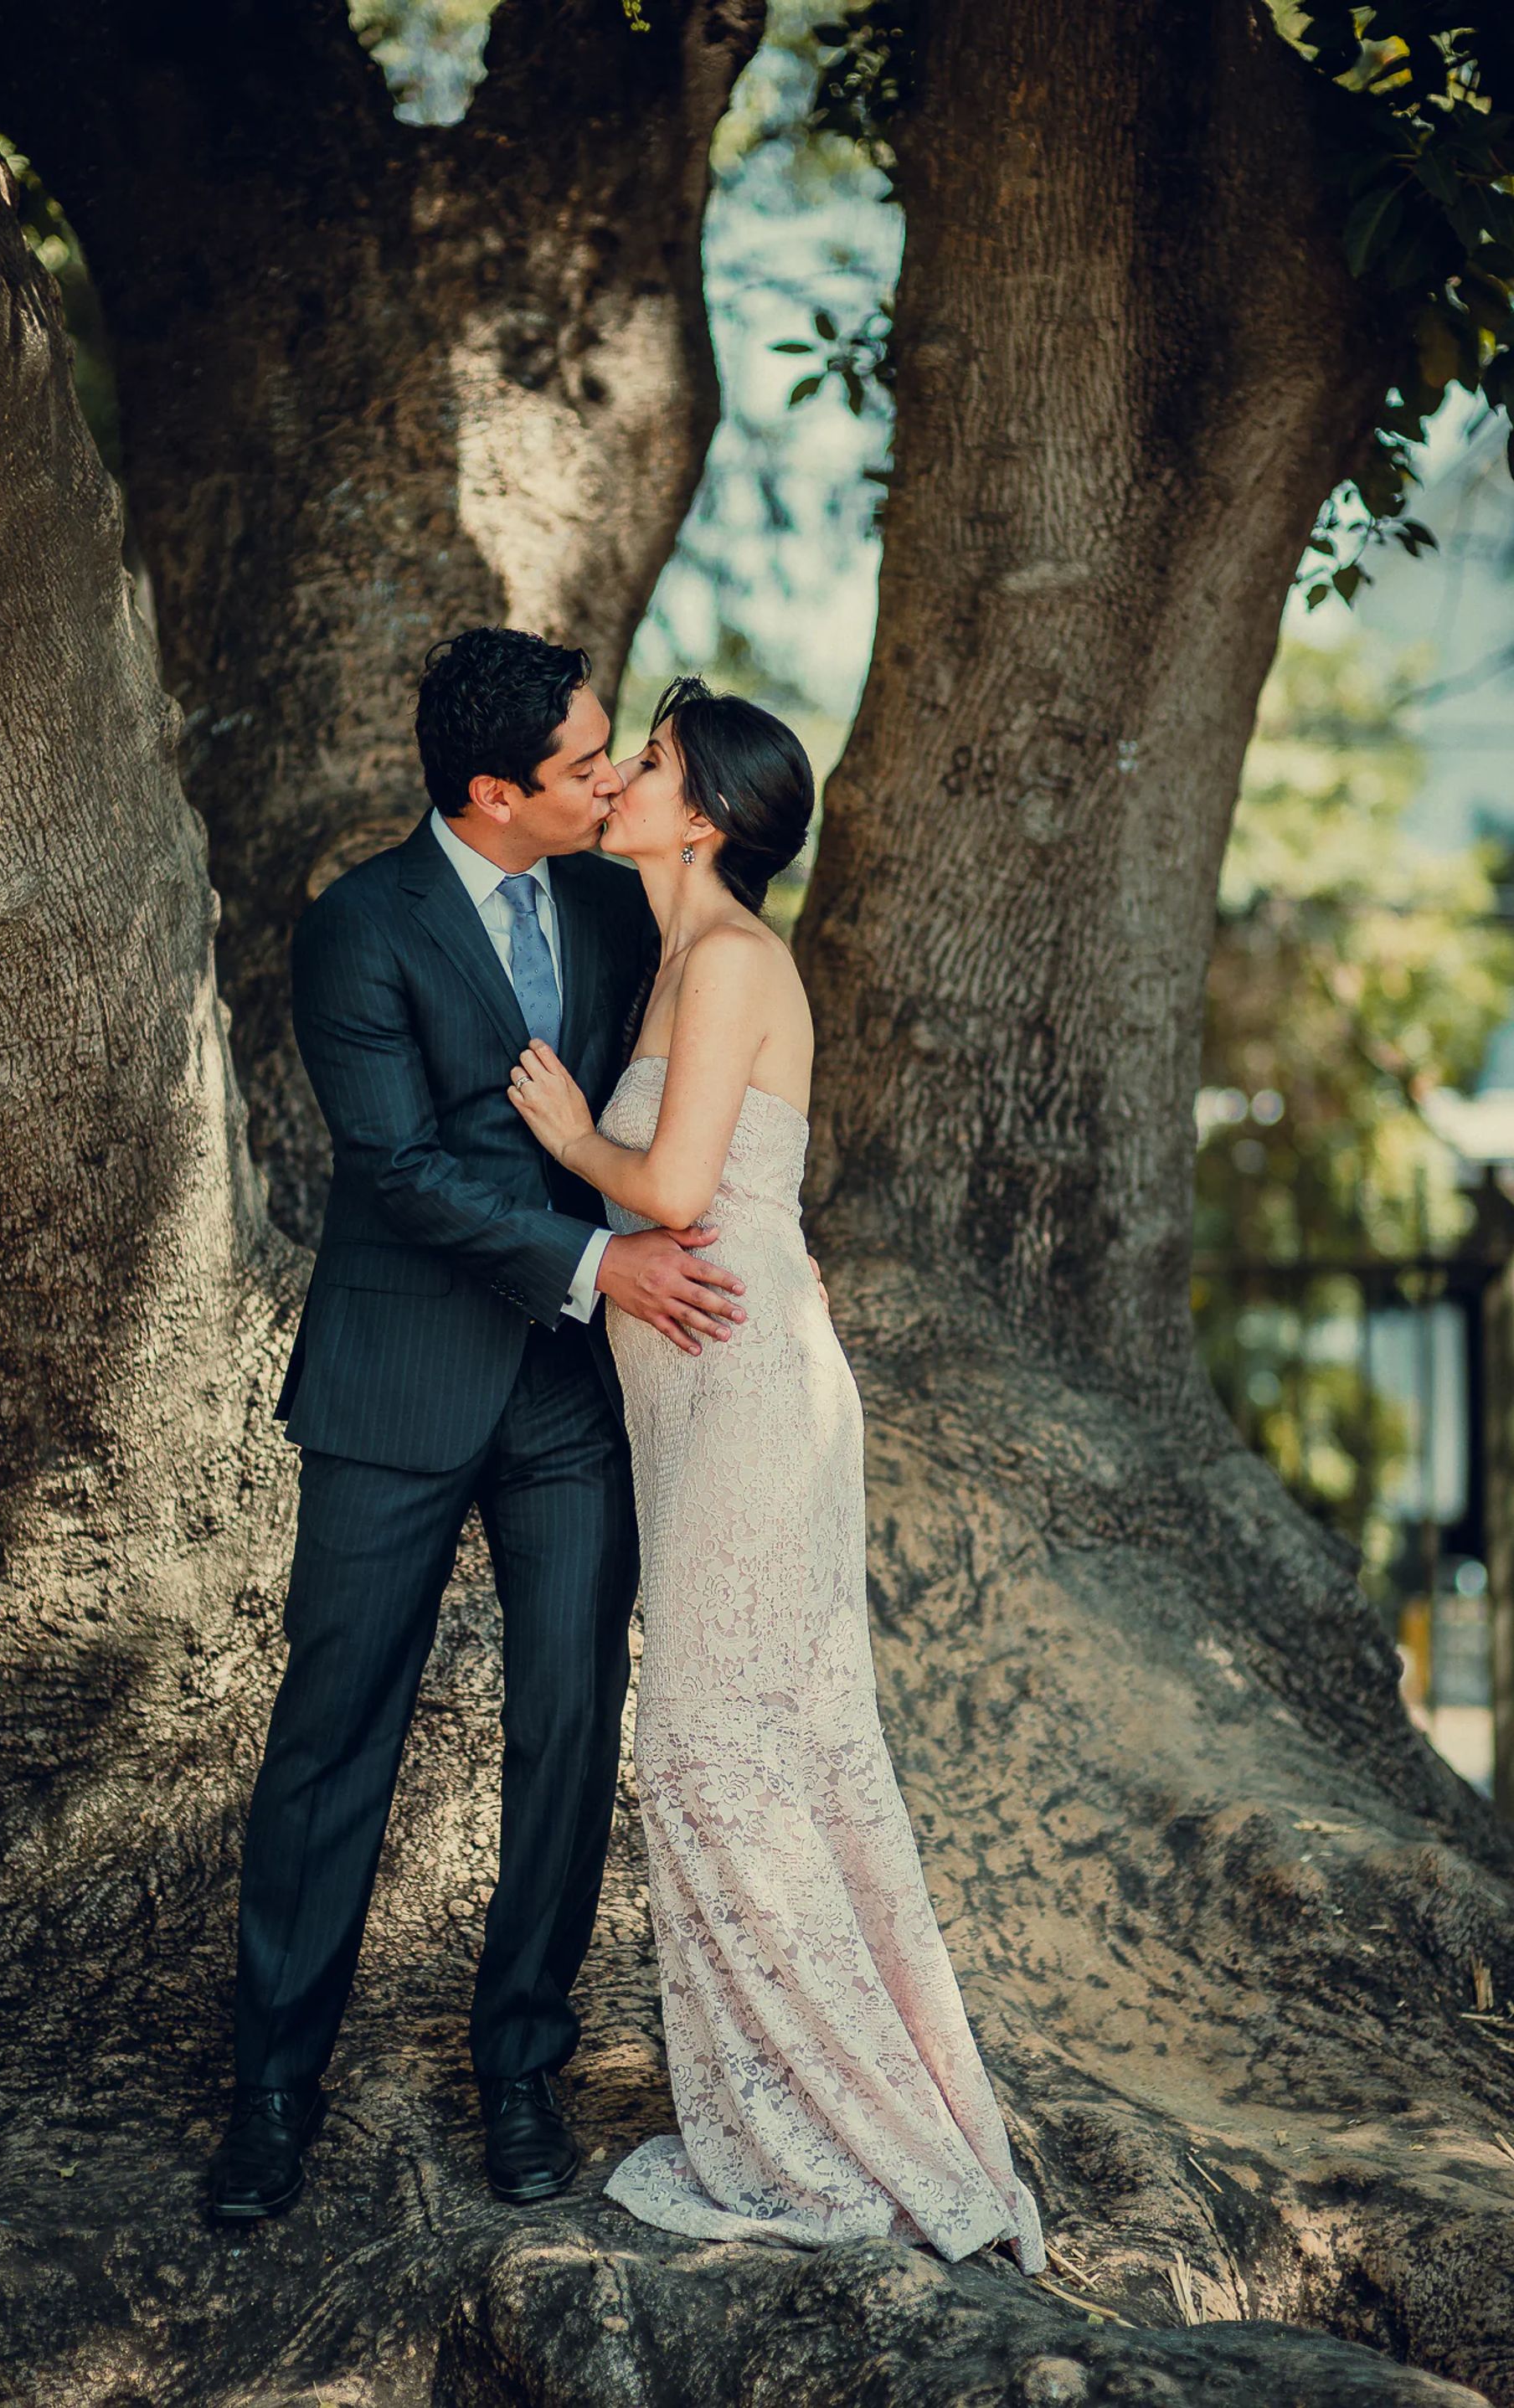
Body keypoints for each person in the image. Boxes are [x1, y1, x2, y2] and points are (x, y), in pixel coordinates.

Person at [208, 628, 755, 2224]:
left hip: (573, 1399)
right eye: (587, 765)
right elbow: (392, 1170)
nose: (608, 780)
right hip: (397, 1382)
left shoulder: (609, 898)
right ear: (489, 791)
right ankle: (271, 2094)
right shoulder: (356, 928)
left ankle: (520, 2070)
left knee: (570, 1735)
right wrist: (604, 1259)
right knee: (332, 1742)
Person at [507, 676, 1048, 2268]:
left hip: (747, 1397)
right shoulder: (676, 959)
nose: (622, 781)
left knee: (709, 1748)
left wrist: (562, 1134)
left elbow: (672, 1187)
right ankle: (786, 2113)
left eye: (652, 764)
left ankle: (852, 2134)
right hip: (692, 1410)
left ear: (714, 818)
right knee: (761, 1751)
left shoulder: (734, 961)